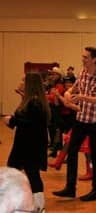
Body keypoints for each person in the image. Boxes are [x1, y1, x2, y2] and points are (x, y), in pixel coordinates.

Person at [53, 47, 96, 202]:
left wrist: (82, 97)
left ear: (94, 59)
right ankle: (70, 188)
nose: (83, 59)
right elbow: (73, 88)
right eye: (83, 57)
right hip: (81, 119)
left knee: (95, 155)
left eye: (86, 57)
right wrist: (67, 93)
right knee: (71, 152)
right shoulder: (83, 73)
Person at [3, 72, 51, 212]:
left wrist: (11, 120)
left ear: (30, 84)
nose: (21, 81)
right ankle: (15, 200)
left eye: (24, 80)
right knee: (17, 172)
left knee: (29, 174)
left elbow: (28, 123)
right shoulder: (33, 100)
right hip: (26, 145)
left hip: (29, 146)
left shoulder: (34, 102)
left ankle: (38, 205)